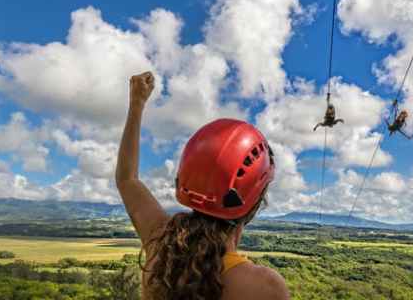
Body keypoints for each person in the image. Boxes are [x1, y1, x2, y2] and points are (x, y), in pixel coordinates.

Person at [116, 71, 290, 300]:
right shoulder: (264, 287)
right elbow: (127, 180)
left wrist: (137, 103)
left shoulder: (161, 244)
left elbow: (127, 179)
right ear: (255, 202)